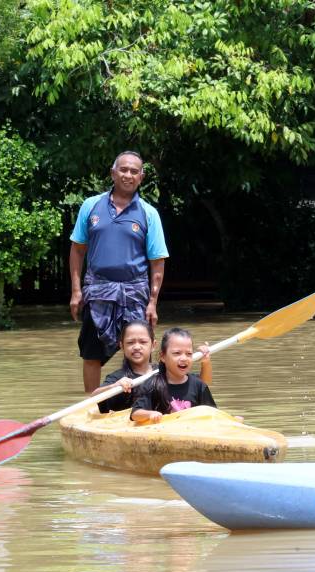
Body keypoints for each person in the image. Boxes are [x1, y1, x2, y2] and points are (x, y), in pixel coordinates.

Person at [69, 151, 169, 393]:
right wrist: (75, 291)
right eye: (123, 170)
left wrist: (153, 302)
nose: (128, 175)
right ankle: (91, 405)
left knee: (139, 350)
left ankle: (143, 401)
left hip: (135, 292)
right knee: (91, 352)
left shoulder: (149, 213)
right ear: (113, 173)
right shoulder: (90, 206)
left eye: (134, 171)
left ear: (141, 177)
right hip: (98, 291)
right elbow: (77, 250)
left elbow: (157, 262)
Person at [130, 328, 215, 423]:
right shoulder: (152, 385)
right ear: (162, 356)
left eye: (189, 354)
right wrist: (150, 414)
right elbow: (135, 414)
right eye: (177, 353)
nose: (184, 358)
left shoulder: (199, 385)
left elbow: (213, 414)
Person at [90, 320, 159, 413]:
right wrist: (115, 386)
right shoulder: (117, 377)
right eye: (130, 343)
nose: (137, 347)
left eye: (143, 342)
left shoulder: (163, 371)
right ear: (122, 346)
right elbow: (93, 397)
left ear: (153, 345)